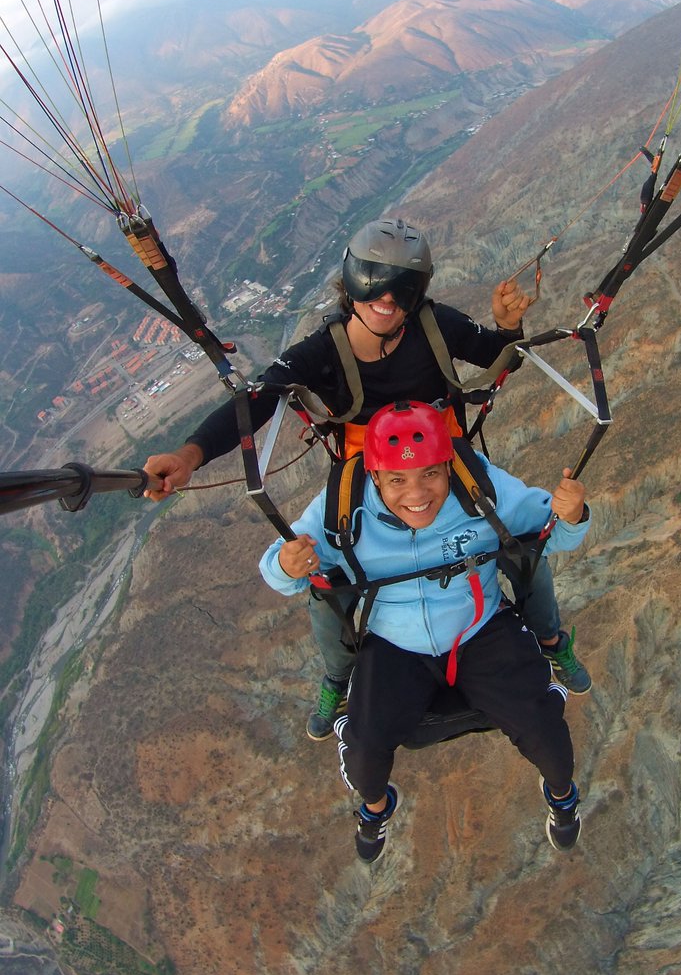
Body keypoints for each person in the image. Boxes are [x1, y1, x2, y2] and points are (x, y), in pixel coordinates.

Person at [144, 218, 591, 738]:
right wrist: (190, 455)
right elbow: (257, 401)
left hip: (445, 462)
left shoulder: (434, 325)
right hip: (366, 476)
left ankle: (551, 640)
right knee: (327, 576)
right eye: (373, 282)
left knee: (522, 535)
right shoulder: (321, 352)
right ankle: (339, 676)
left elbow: (493, 355)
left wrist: (507, 328)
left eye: (403, 288)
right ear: (350, 283)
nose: (388, 299)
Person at [259, 401, 590, 863]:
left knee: (550, 741)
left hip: (479, 627)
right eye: (397, 479)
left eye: (430, 475)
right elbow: (282, 566)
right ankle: (376, 808)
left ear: (448, 467)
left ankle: (562, 797)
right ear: (375, 477)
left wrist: (573, 514)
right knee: (365, 756)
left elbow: (546, 531)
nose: (416, 494)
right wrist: (285, 563)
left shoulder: (479, 486)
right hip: (395, 643)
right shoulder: (345, 502)